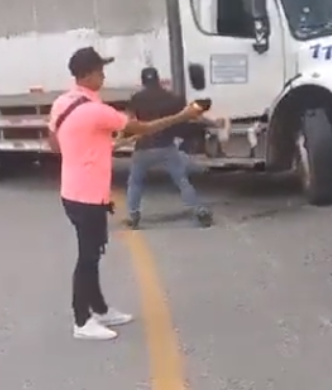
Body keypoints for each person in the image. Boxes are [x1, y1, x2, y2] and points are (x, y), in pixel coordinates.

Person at [49, 47, 206, 341]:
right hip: (87, 195)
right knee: (87, 257)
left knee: (93, 252)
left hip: (72, 191)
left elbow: (55, 144)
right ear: (86, 75)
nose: (103, 75)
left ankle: (99, 308)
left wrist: (91, 146)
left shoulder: (62, 103)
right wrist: (184, 115)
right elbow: (145, 127)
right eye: (99, 71)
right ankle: (82, 321)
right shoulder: (96, 110)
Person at [124, 67, 213, 230]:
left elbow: (130, 121)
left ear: (143, 81)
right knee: (181, 180)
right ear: (158, 80)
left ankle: (134, 214)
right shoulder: (172, 98)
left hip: (143, 147)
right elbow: (186, 118)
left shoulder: (136, 98)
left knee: (135, 182)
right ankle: (198, 210)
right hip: (166, 147)